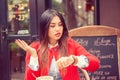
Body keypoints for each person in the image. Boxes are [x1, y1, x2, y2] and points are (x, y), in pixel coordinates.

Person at [15, 9, 100, 80]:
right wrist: (34, 56)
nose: (58, 29)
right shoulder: (34, 47)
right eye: (52, 26)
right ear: (44, 28)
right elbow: (30, 78)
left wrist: (74, 60)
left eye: (60, 25)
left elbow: (95, 64)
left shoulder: (70, 44)